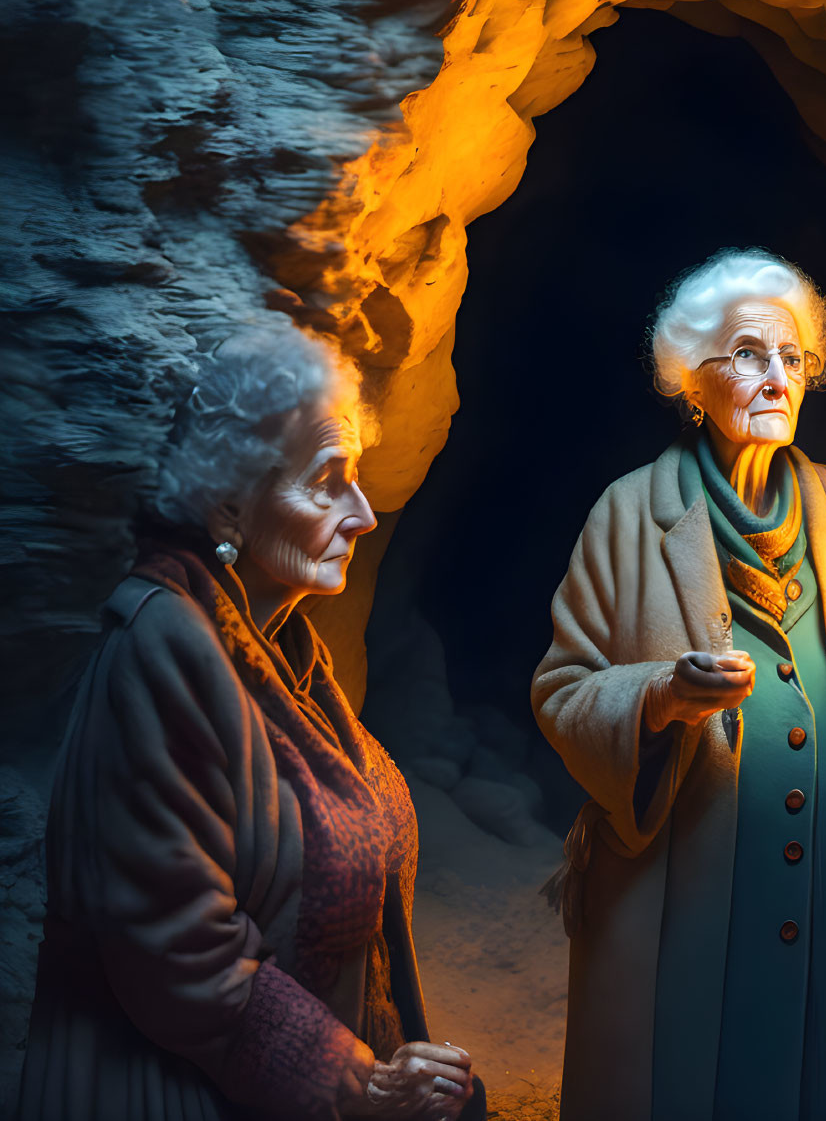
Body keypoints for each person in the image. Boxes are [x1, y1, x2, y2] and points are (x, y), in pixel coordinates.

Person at [532, 249, 826, 1121]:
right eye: (749, 355)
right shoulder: (628, 512)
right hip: (690, 912)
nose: (776, 378)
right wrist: (660, 695)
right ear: (693, 379)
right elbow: (565, 692)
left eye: (792, 360)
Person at [19, 319, 483, 1121]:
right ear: (230, 506)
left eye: (359, 477)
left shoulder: (282, 654)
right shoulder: (162, 647)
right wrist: (359, 1084)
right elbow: (175, 951)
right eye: (328, 480)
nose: (364, 513)